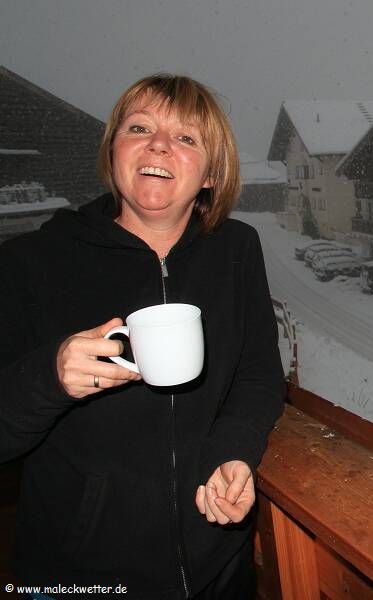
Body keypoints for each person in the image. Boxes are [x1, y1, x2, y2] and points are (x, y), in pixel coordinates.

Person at [0, 74, 285, 598]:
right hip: (79, 575)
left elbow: (258, 374)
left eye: (186, 137)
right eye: (139, 128)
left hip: (219, 566)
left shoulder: (236, 250)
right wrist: (49, 377)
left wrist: (233, 451)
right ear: (113, 152)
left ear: (211, 175)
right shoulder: (30, 264)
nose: (158, 144)